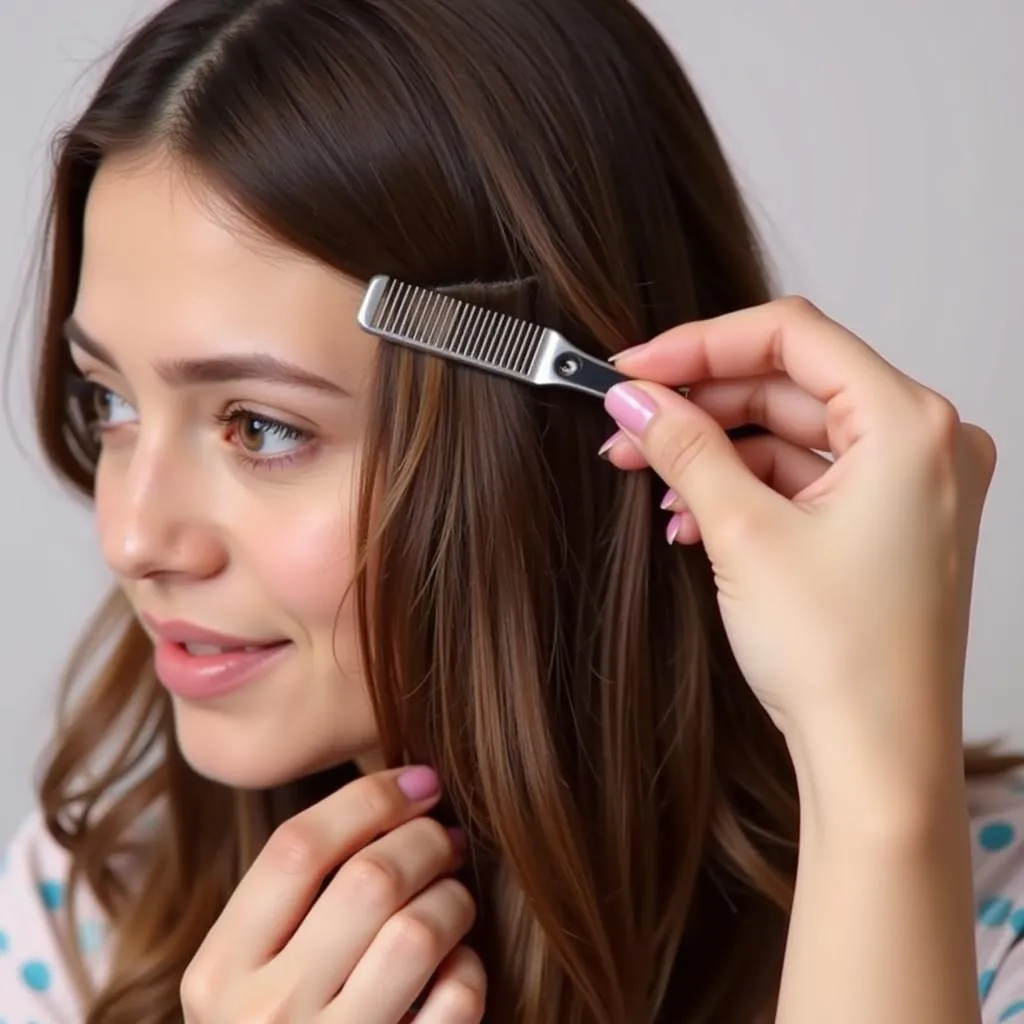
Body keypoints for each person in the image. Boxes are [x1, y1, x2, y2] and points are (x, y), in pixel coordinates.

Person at [2, 0, 1023, 1021]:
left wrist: (877, 792)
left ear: (553, 443)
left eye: (262, 426)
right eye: (112, 402)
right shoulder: (90, 909)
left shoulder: (987, 924)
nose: (132, 537)